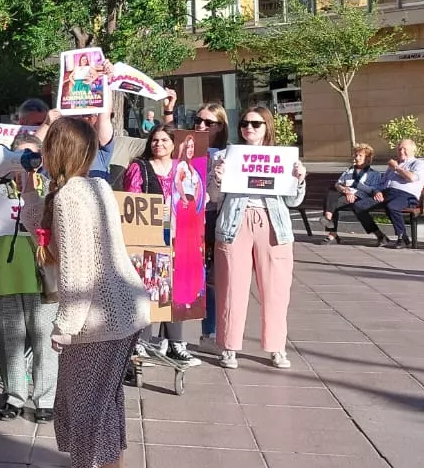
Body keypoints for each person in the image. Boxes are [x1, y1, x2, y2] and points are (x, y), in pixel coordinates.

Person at [40, 116, 149, 468]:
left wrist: (64, 326)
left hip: (100, 320)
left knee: (90, 406)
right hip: (124, 311)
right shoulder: (98, 185)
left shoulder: (70, 196)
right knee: (102, 403)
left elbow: (78, 270)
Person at [213, 105, 306, 370]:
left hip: (273, 225)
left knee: (276, 289)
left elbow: (294, 199)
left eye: (255, 124)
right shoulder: (226, 156)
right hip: (234, 223)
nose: (248, 128)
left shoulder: (284, 158)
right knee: (231, 287)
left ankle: (276, 347)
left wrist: (298, 180)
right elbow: (213, 197)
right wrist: (217, 179)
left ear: (267, 127)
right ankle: (229, 346)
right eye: (244, 123)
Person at [0, 132, 57, 421]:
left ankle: (45, 399)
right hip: (5, 276)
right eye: (20, 156)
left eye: (31, 156)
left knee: (44, 338)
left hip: (41, 276)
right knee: (10, 339)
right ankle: (14, 396)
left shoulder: (51, 191)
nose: (25, 163)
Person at [122, 125, 200, 368]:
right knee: (150, 286)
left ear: (172, 143)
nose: (159, 144)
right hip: (149, 234)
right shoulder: (139, 168)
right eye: (154, 140)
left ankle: (176, 343)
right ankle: (142, 343)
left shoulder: (184, 169)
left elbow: (195, 196)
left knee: (176, 290)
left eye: (164, 140)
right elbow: (131, 200)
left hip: (180, 236)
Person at [193, 102, 229, 343]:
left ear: (221, 126)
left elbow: (219, 196)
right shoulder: (188, 148)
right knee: (194, 276)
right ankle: (183, 334)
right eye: (198, 121)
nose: (201, 126)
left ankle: (213, 330)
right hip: (189, 218)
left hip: (216, 217)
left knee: (214, 278)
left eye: (209, 122)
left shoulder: (228, 155)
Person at [354, 138, 424, 248]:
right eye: (399, 149)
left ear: (413, 150)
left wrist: (396, 168)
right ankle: (380, 235)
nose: (401, 151)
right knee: (359, 206)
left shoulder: (419, 163)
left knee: (392, 206)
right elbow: (382, 182)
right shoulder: (394, 164)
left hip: (407, 195)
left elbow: (411, 178)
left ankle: (402, 237)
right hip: (386, 193)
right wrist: (377, 191)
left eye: (404, 149)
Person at [323, 143, 381, 241]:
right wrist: (345, 191)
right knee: (332, 193)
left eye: (360, 155)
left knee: (332, 203)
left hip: (360, 198)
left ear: (367, 158)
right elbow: (338, 184)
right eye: (356, 155)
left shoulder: (373, 174)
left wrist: (354, 193)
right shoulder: (349, 170)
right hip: (345, 196)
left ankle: (330, 226)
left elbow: (372, 190)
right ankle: (330, 227)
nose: (357, 158)